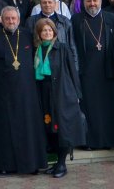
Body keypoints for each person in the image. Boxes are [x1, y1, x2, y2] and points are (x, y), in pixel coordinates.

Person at [0, 6, 47, 175]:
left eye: (13, 18)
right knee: (6, 129)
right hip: (3, 92)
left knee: (29, 128)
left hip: (27, 92)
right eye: (7, 19)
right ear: (2, 20)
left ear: (19, 19)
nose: (11, 21)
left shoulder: (28, 35)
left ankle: (31, 164)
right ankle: (6, 165)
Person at [71, 0, 114, 149]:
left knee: (109, 107)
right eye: (89, 1)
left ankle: (112, 141)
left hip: (108, 71)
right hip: (86, 72)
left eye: (95, 0)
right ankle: (89, 142)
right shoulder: (76, 20)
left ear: (100, 1)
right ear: (84, 3)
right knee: (90, 109)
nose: (92, 4)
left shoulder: (111, 18)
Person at [33, 18, 86, 179]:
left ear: (54, 32)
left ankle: (62, 163)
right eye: (44, 30)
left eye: (50, 30)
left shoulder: (62, 48)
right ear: (39, 34)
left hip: (62, 92)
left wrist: (77, 94)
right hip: (44, 91)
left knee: (62, 127)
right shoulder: (37, 50)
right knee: (50, 127)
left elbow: (72, 72)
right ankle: (57, 161)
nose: (47, 33)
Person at [26, 0, 79, 72]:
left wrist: (74, 69)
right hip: (39, 65)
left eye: (50, 2)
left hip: (61, 65)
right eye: (44, 2)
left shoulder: (65, 21)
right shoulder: (31, 21)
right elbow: (28, 47)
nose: (47, 5)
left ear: (55, 3)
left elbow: (72, 46)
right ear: (40, 4)